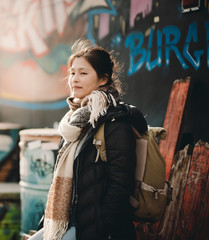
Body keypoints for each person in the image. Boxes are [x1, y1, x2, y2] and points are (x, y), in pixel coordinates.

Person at [28, 38, 148, 240]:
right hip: (69, 221)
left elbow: (121, 185)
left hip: (98, 229)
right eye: (72, 73)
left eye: (83, 73)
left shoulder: (115, 122)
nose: (74, 79)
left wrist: (102, 229)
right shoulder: (74, 122)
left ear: (103, 79)